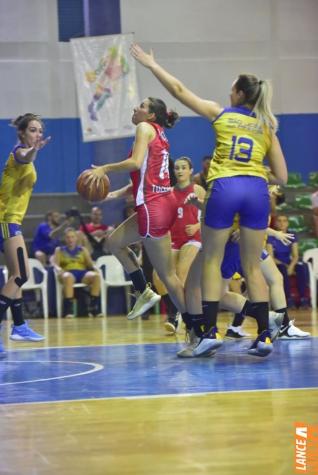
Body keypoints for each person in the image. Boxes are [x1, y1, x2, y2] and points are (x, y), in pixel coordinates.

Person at [131, 44, 288, 357]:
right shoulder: (266, 125)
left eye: (232, 87)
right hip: (257, 191)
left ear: (240, 94)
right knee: (252, 269)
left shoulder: (222, 113)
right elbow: (281, 177)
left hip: (226, 187)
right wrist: (253, 171)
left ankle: (210, 333)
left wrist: (152, 65)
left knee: (212, 263)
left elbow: (178, 90)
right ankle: (264, 338)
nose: (229, 91)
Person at [89, 97, 186, 321]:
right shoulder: (158, 131)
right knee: (113, 242)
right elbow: (146, 175)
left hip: (155, 206)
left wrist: (104, 168)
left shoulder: (144, 127)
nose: (135, 108)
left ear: (150, 115)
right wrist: (116, 193)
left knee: (167, 275)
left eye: (141, 106)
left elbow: (134, 163)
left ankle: (197, 328)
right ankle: (143, 291)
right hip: (161, 201)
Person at [0, 113, 51, 356]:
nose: (37, 134)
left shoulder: (27, 155)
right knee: (21, 275)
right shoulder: (20, 152)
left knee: (14, 275)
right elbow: (24, 155)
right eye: (33, 130)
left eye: (39, 130)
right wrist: (34, 150)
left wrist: (35, 151)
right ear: (22, 133)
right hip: (6, 221)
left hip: (11, 221)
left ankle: (19, 325)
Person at [152, 156, 205, 334]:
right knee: (158, 276)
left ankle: (179, 317)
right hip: (173, 239)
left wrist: (198, 225)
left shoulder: (197, 189)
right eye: (177, 168)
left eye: (183, 168)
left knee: (180, 274)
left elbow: (211, 214)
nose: (180, 171)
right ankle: (176, 312)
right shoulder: (168, 193)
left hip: (193, 239)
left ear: (191, 170)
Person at [52, 227, 103, 318]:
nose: (70, 239)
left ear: (76, 238)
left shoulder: (82, 249)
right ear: (65, 239)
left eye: (72, 237)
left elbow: (90, 264)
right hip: (67, 273)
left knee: (96, 276)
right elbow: (56, 264)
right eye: (68, 237)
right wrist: (58, 269)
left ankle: (94, 308)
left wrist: (95, 268)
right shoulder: (59, 250)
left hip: (82, 273)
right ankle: (68, 310)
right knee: (68, 277)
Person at [266, 214, 310, 308]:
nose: (282, 223)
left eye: (284, 221)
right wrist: (286, 267)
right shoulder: (271, 236)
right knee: (282, 269)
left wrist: (291, 266)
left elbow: (296, 255)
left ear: (288, 223)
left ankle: (304, 299)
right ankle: (288, 299)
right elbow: (270, 256)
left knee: (302, 267)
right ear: (275, 223)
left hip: (288, 262)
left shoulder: (292, 235)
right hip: (276, 262)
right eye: (279, 221)